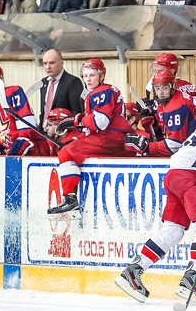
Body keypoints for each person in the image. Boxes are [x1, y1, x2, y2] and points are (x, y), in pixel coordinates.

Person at [115, 90, 196, 304]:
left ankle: (133, 271)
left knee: (172, 230)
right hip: (189, 178)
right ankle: (190, 281)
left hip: (173, 176)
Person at [47, 59, 136, 220]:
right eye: (85, 75)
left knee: (66, 152)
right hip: (118, 138)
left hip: (110, 137)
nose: (88, 79)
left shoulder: (100, 92)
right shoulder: (103, 91)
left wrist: (76, 120)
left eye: (92, 75)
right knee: (72, 148)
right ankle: (70, 199)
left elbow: (101, 122)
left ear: (101, 76)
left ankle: (70, 199)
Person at [123, 69, 196, 157]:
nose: (161, 92)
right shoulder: (173, 101)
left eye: (165, 88)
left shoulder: (176, 106)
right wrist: (154, 127)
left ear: (172, 87)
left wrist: (147, 146)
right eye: (158, 88)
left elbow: (174, 145)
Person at [0, 63, 50, 157]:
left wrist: (22, 140)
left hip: (34, 149)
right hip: (13, 152)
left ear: (1, 78)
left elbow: (26, 121)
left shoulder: (13, 92)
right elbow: (6, 135)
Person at [38, 49, 84, 129]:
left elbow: (77, 112)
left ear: (61, 63)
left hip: (62, 132)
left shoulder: (72, 82)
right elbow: (44, 110)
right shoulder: (44, 82)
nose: (48, 67)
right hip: (44, 131)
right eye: (45, 63)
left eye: (52, 63)